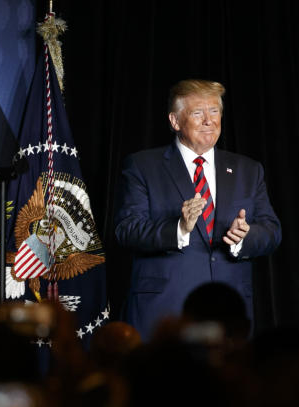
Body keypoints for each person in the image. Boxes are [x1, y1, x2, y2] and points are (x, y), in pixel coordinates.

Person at [114, 79, 281, 340]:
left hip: (229, 311)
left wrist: (244, 237)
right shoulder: (143, 166)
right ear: (175, 121)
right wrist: (178, 228)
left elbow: (272, 230)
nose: (209, 121)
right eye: (197, 113)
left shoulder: (248, 170)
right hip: (164, 311)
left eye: (214, 111)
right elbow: (126, 229)